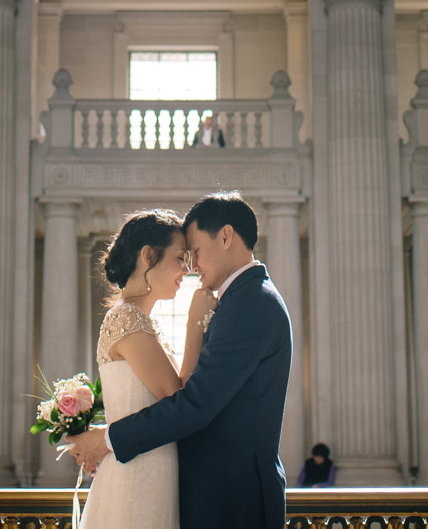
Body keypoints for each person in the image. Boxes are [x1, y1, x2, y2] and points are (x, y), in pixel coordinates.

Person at [64, 193, 293, 529]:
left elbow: (193, 403)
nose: (191, 267)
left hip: (233, 500)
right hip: (204, 493)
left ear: (226, 236)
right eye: (183, 257)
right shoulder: (242, 300)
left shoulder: (250, 304)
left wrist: (108, 438)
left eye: (195, 253)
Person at [74, 210, 205, 529]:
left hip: (148, 464)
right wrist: (196, 322)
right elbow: (179, 398)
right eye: (180, 258)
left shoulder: (138, 321)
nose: (186, 270)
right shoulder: (127, 319)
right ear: (148, 255)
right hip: (139, 473)